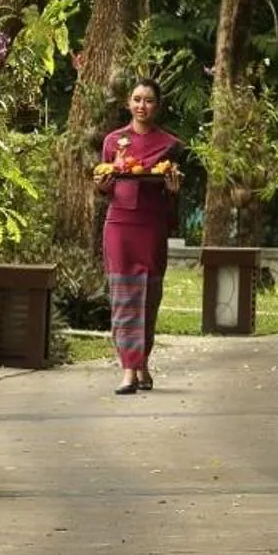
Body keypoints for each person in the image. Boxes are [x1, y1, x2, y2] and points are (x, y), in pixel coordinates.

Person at [94, 76, 183, 395]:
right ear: (128, 104)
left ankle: (142, 362)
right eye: (136, 99)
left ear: (157, 106)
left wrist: (173, 190)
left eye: (148, 100)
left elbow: (172, 193)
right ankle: (129, 370)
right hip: (119, 224)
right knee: (123, 295)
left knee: (149, 295)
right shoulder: (112, 141)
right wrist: (101, 186)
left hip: (151, 224)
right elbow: (105, 184)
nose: (141, 105)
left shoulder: (170, 144)